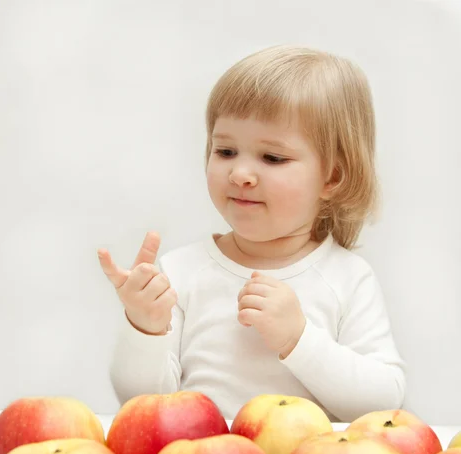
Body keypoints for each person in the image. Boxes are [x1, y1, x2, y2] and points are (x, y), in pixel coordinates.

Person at [97, 44, 406, 422]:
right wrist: (144, 327)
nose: (240, 173)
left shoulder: (348, 278)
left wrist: (298, 339)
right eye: (225, 151)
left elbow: (383, 402)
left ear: (333, 177)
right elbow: (140, 406)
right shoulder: (181, 271)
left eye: (272, 158)